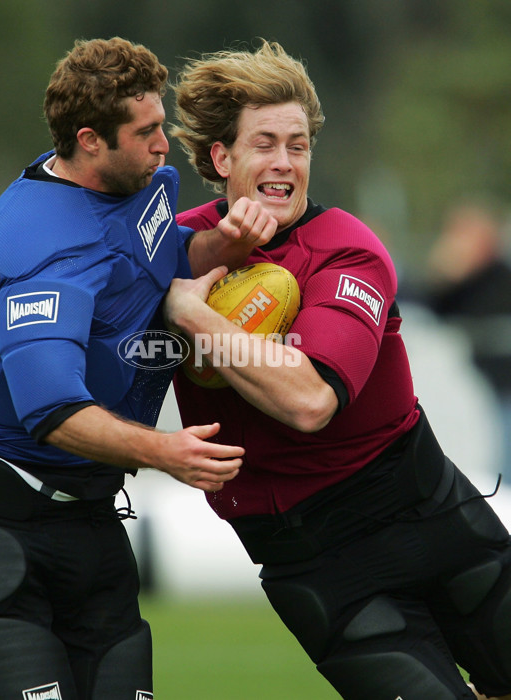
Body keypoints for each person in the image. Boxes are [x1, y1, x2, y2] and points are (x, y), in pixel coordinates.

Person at [0, 37, 278, 700]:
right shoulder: (38, 247)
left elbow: (149, 262)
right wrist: (165, 451)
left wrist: (217, 246)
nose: (164, 146)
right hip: (2, 528)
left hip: (91, 523)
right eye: (145, 133)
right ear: (89, 140)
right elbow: (51, 411)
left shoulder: (139, 183)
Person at [164, 40, 511, 700]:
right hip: (316, 566)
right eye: (265, 142)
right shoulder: (171, 250)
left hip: (425, 521)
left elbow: (310, 402)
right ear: (221, 157)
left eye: (298, 145)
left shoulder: (345, 249)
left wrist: (198, 319)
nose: (285, 162)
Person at [425, 198, 511, 486]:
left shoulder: (500, 276)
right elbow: (432, 311)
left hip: (501, 389)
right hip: (471, 388)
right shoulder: (459, 282)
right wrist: (445, 274)